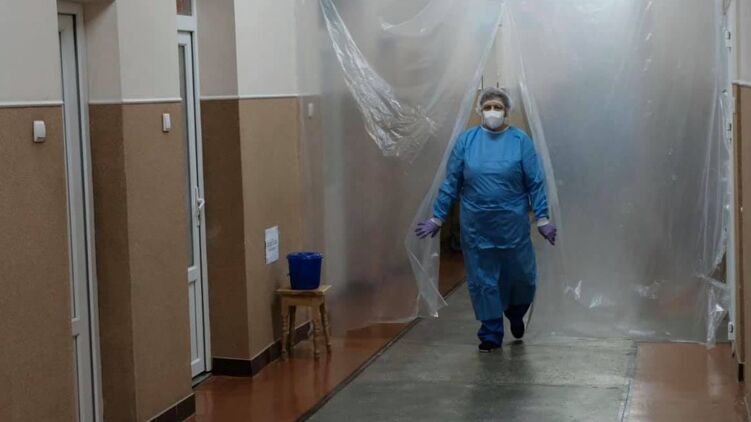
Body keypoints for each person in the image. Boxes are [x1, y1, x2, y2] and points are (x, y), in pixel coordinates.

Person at [415, 87, 557, 352]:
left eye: (498, 107)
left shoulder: (520, 141)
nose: (493, 111)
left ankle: (516, 313)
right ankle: (490, 332)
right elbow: (452, 181)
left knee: (522, 277)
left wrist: (542, 218)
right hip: (476, 225)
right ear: (480, 110)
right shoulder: (466, 141)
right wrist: (437, 216)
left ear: (507, 111)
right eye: (488, 106)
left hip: (512, 225)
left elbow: (535, 182)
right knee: (483, 279)